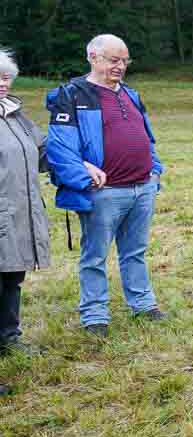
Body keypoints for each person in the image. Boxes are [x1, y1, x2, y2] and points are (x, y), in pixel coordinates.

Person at [46, 35, 166, 337]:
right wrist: (84, 177)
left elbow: (147, 137)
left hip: (142, 188)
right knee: (95, 257)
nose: (120, 66)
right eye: (114, 60)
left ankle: (143, 304)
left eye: (125, 61)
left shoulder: (130, 94)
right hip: (104, 193)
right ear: (93, 57)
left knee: (135, 251)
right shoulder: (72, 95)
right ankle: (95, 315)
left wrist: (154, 170)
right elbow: (59, 148)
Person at [0, 48, 50, 362]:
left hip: (18, 214)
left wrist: (82, 165)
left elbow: (44, 152)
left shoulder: (16, 115)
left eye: (6, 77)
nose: (3, 83)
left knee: (11, 277)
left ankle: (8, 337)